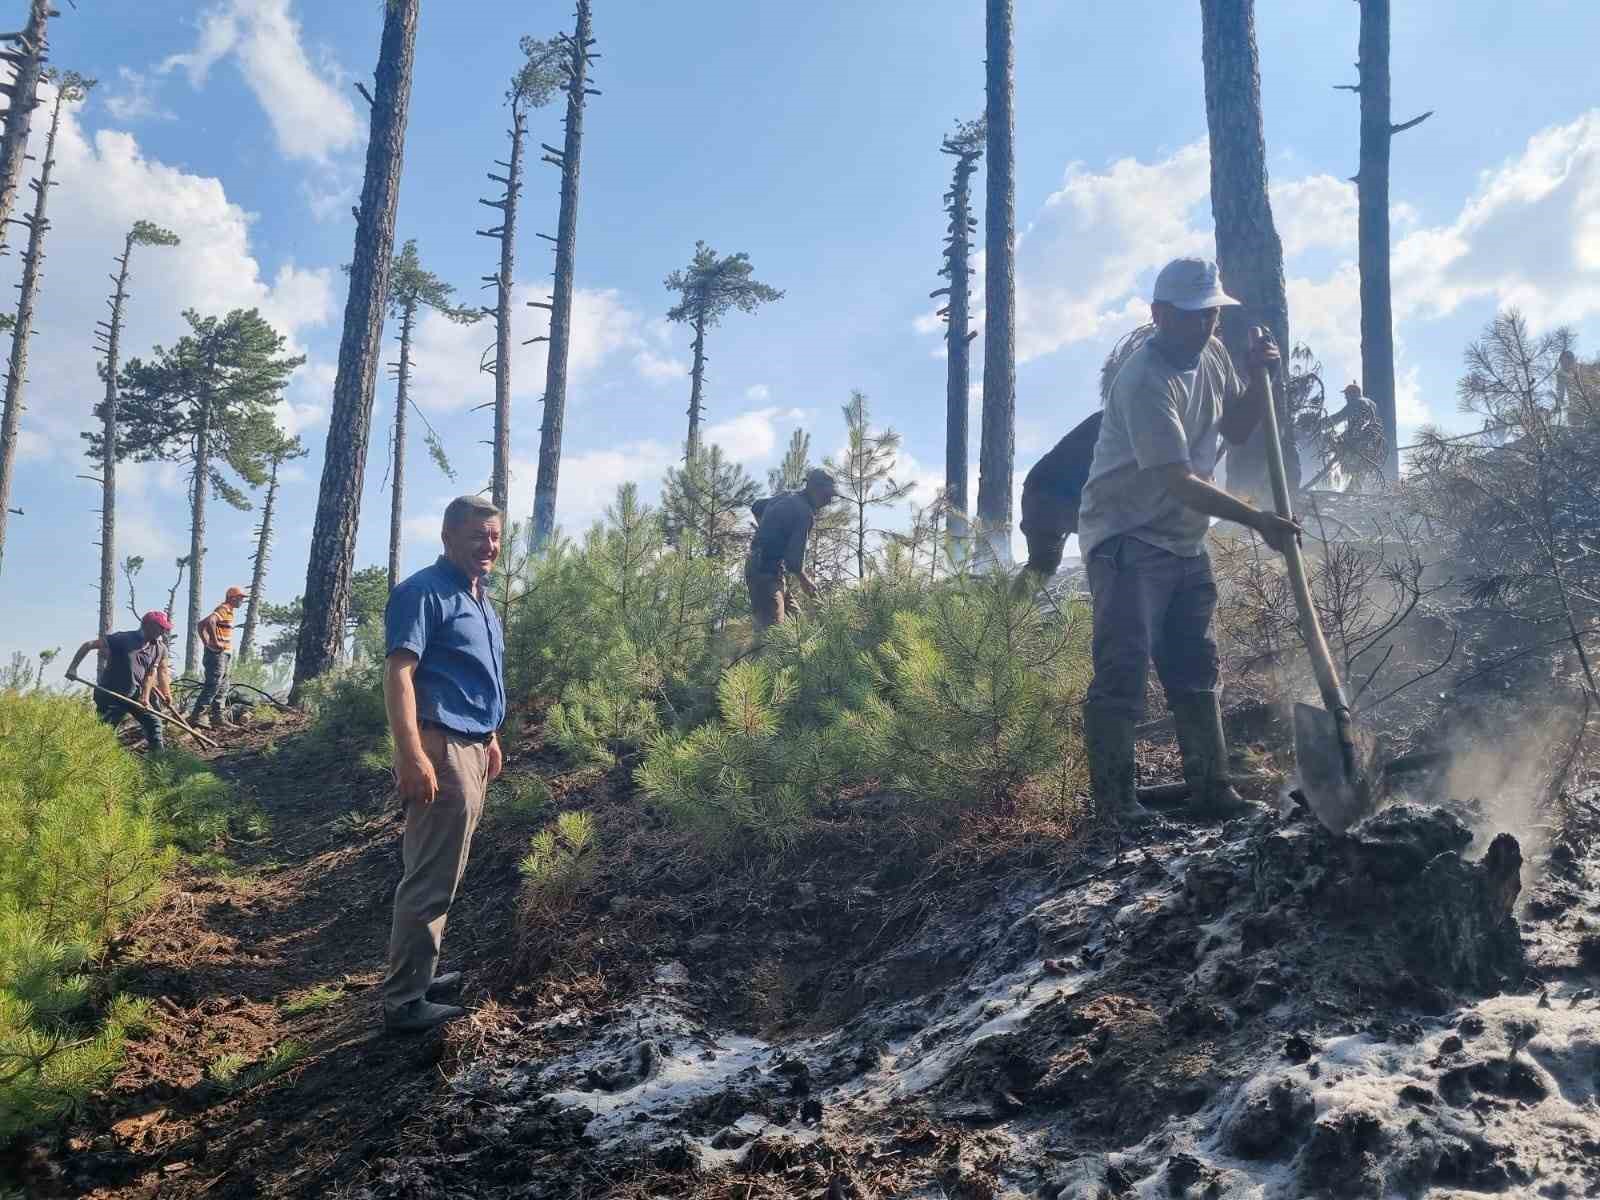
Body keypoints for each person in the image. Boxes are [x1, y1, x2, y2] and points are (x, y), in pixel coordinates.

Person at [1076, 257, 1300, 826]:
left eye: (1212, 315)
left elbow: (1236, 429)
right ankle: (1115, 806)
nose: (1205, 326)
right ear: (1159, 315)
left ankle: (1211, 787)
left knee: (1197, 667)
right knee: (1123, 669)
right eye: (1193, 316)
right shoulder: (1144, 381)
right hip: (1127, 537)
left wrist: (1256, 379)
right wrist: (1260, 521)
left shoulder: (1214, 354)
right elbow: (1177, 481)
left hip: (1183, 539)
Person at [379, 495, 507, 1033]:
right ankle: (405, 1002)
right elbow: (400, 675)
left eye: (496, 538)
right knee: (431, 872)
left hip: (473, 745)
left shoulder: (480, 599)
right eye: (478, 535)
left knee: (446, 867)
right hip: (441, 748)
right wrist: (411, 753)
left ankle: (421, 976)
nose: (489, 546)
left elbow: (472, 674)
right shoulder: (422, 593)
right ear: (448, 537)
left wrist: (491, 735)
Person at [745, 468, 837, 638]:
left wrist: (770, 533)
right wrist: (806, 582)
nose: (829, 501)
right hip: (764, 574)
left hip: (770, 570)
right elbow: (794, 563)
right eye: (827, 495)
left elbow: (757, 507)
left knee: (796, 628)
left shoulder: (787, 496)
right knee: (772, 637)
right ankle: (756, 664)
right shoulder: (805, 513)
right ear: (814, 488)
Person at [64, 611, 174, 752]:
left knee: (154, 723)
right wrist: (73, 668)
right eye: (161, 627)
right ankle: (87, 760)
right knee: (105, 731)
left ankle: (158, 762)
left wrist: (145, 697)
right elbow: (89, 645)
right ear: (149, 625)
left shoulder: (158, 648)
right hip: (111, 694)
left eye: (164, 628)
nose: (163, 631)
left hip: (133, 695)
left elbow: (150, 674)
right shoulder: (123, 638)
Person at [189, 585, 246, 728]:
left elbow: (201, 624)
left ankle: (217, 718)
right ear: (232, 597)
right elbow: (210, 622)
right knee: (214, 684)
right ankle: (197, 716)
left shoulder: (229, 611)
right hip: (217, 654)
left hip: (223, 654)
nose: (242, 601)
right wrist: (213, 641)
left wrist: (205, 641)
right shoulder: (223, 608)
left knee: (223, 685)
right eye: (240, 598)